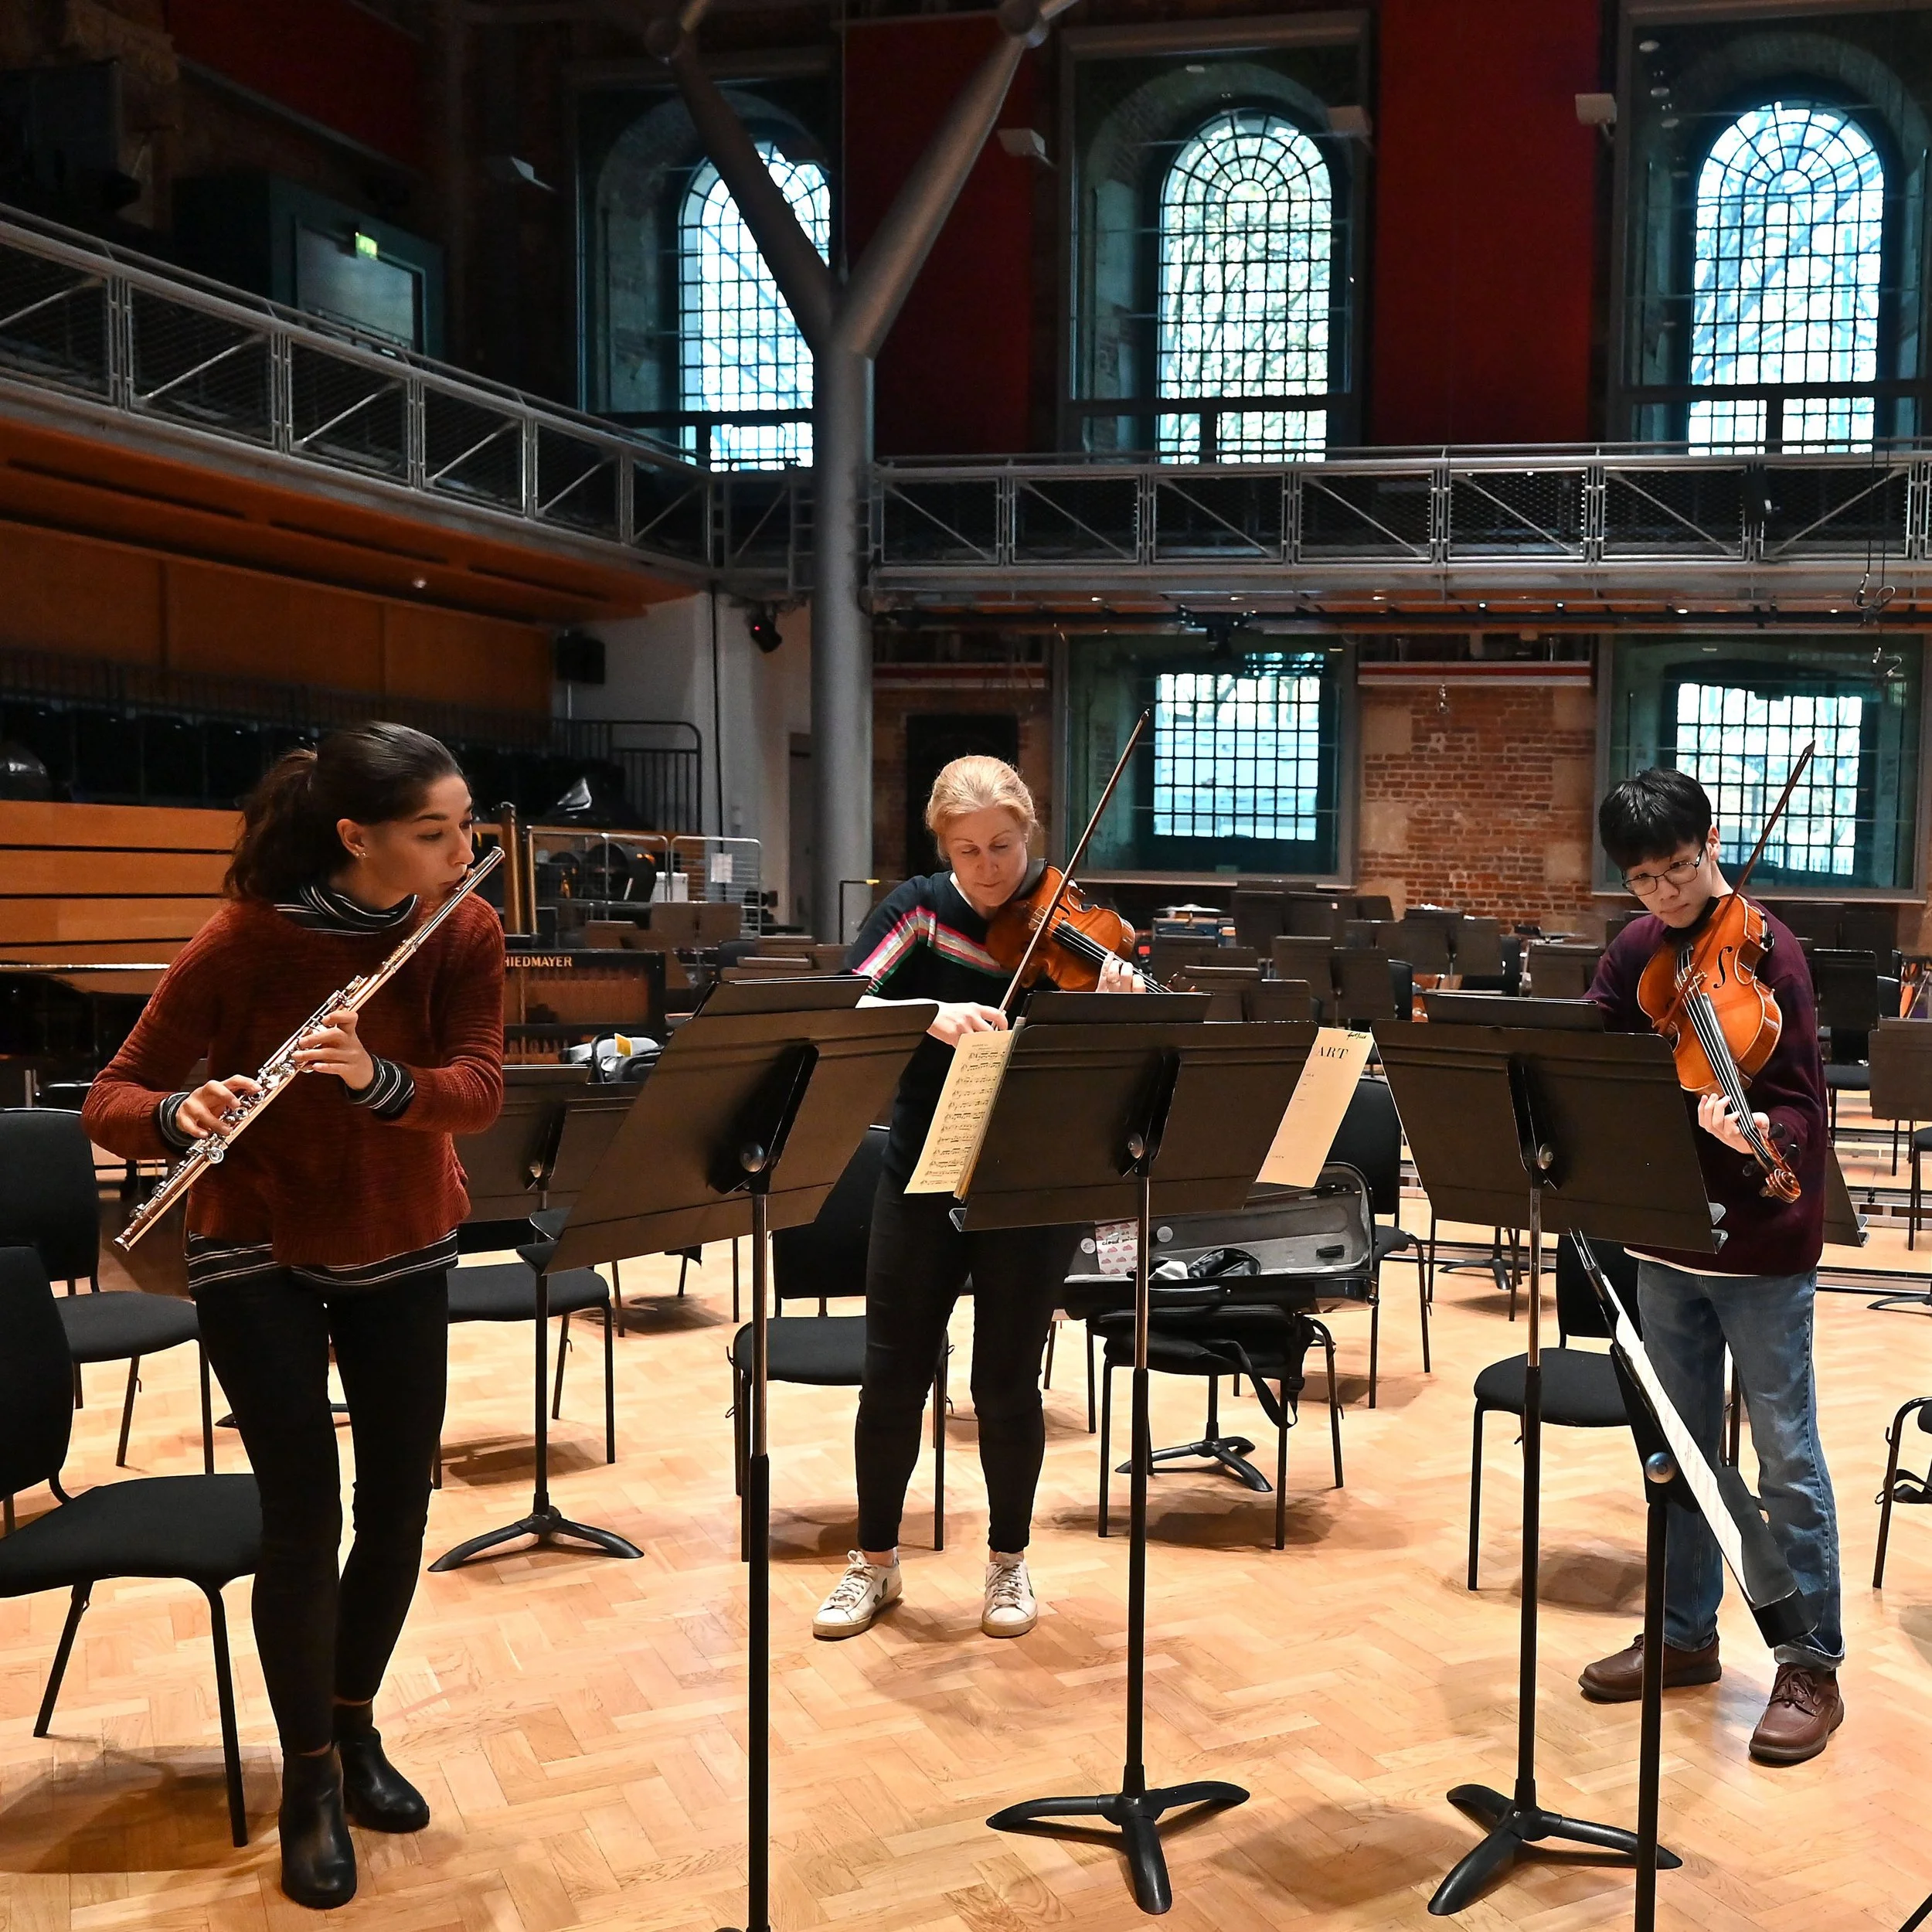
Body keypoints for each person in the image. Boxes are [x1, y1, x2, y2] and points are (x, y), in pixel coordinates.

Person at [83, 723, 505, 1907]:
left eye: (465, 822)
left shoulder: (460, 928)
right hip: (255, 1246)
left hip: (402, 1235)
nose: (464, 846)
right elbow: (112, 1097)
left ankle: (355, 1722)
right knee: (300, 1519)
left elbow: (476, 1091)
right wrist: (180, 1116)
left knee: (400, 1507)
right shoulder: (244, 939)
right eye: (436, 832)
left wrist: (373, 1078)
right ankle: (309, 1780)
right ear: (355, 838)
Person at [811, 756, 1141, 1642]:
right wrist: (927, 1010)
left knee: (1005, 1381)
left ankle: (1007, 1564)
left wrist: (1116, 1007)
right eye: (966, 851)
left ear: (1029, 833)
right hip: (923, 1164)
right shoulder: (919, 907)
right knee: (892, 1377)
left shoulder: (1078, 921)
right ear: (941, 846)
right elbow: (845, 999)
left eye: (1001, 846)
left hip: (1031, 1174)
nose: (987, 868)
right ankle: (874, 1563)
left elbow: (1128, 1052)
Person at [1581, 766, 1842, 1764]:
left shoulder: (1773, 952)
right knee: (1680, 1458)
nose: (1666, 895)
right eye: (1644, 879)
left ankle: (1810, 1663)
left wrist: (1754, 1129)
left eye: (1680, 868)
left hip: (1761, 1239)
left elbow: (1806, 1111)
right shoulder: (1640, 950)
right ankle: (1685, 1636)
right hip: (1662, 1237)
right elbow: (1599, 1055)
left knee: (1786, 1460)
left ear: (1713, 841)